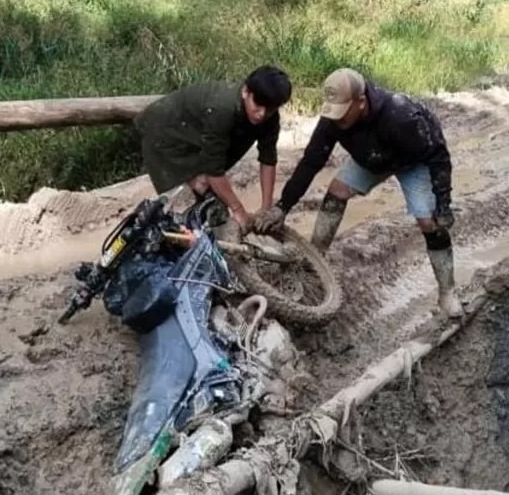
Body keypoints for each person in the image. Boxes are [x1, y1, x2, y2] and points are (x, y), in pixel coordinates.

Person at [257, 68, 464, 319]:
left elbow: (438, 156)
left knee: (429, 222)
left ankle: (447, 293)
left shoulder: (400, 116)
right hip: (371, 157)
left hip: (412, 161)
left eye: (343, 114)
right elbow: (311, 162)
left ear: (361, 102)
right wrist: (283, 206)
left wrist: (443, 203)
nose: (337, 120)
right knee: (337, 190)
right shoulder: (333, 119)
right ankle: (316, 259)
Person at [133, 66, 292, 235]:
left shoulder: (269, 118)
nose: (262, 114)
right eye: (258, 106)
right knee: (189, 201)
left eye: (270, 109)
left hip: (196, 133)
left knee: (212, 201)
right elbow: (213, 170)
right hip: (165, 132)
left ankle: (196, 225)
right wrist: (238, 210)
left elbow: (268, 159)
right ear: (246, 92)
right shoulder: (222, 109)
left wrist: (266, 208)